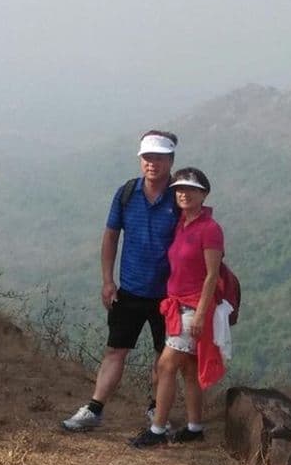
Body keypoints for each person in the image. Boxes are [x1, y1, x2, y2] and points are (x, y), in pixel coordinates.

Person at [62, 130, 179, 431]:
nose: (152, 163)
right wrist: (107, 280)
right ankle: (94, 408)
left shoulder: (179, 197)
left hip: (169, 294)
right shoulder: (127, 193)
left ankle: (157, 409)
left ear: (171, 160)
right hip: (130, 289)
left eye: (159, 158)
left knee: (164, 357)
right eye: (147, 158)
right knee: (116, 350)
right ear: (140, 160)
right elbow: (111, 236)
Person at [129, 167, 227, 448]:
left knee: (165, 365)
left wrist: (199, 314)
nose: (183, 193)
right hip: (178, 306)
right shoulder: (182, 224)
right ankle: (195, 427)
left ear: (203, 194)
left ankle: (157, 430)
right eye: (179, 189)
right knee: (190, 370)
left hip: (193, 309)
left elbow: (212, 275)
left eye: (190, 189)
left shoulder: (210, 229)